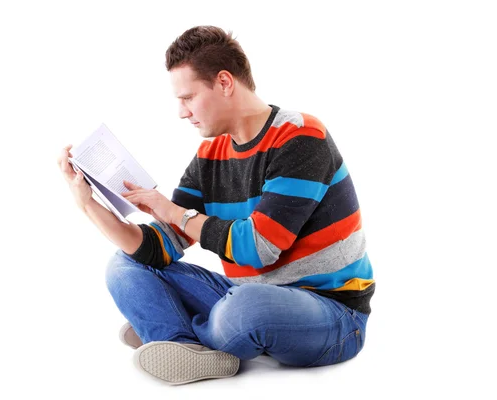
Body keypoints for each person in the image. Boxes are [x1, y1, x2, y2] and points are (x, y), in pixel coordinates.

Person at [57, 25, 375, 386]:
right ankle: (182, 345)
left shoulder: (301, 136)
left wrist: (173, 211)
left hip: (331, 314)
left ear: (224, 83)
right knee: (123, 266)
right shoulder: (211, 154)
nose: (182, 112)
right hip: (242, 296)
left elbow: (260, 247)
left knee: (246, 309)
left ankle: (166, 329)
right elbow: (158, 248)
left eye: (188, 97)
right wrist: (87, 204)